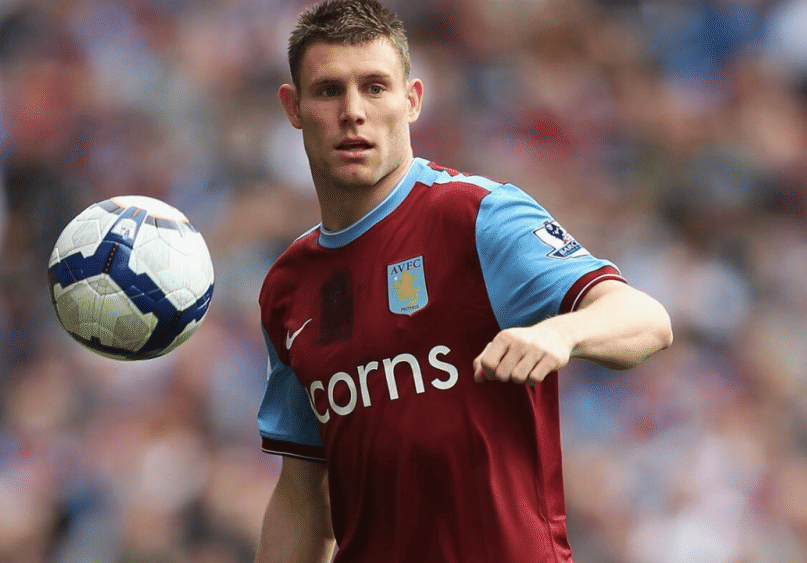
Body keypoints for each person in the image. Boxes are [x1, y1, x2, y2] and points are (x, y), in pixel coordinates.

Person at [254, 1, 673, 561]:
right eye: (329, 91)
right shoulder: (288, 287)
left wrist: (560, 333)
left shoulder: (476, 217)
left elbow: (648, 320)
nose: (352, 112)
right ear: (293, 106)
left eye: (374, 88)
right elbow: (302, 497)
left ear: (412, 100)